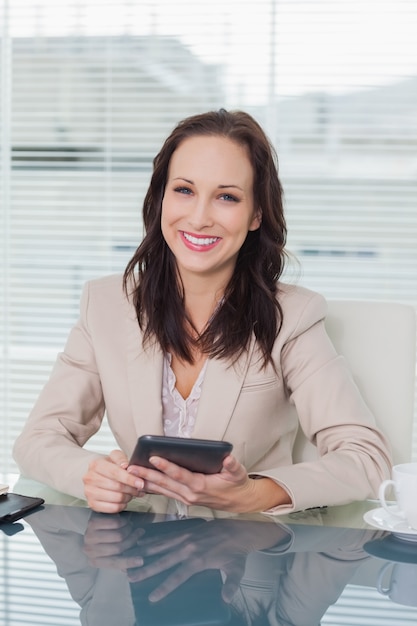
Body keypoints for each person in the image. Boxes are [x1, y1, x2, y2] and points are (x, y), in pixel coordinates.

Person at [13, 109, 392, 515]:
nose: (198, 217)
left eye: (227, 197)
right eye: (184, 190)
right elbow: (38, 439)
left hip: (250, 560)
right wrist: (89, 474)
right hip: (134, 562)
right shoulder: (105, 305)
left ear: (256, 215)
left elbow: (366, 457)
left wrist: (254, 494)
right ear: (161, 198)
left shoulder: (292, 318)